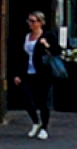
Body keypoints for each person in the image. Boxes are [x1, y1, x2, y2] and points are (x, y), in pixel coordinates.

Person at [13, 11, 58, 139]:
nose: (30, 24)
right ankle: (35, 122)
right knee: (26, 98)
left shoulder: (47, 35)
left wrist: (46, 45)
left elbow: (56, 51)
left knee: (42, 101)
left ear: (40, 23)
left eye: (33, 21)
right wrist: (18, 74)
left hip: (43, 73)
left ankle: (44, 127)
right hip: (28, 72)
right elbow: (21, 56)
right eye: (29, 21)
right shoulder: (26, 37)